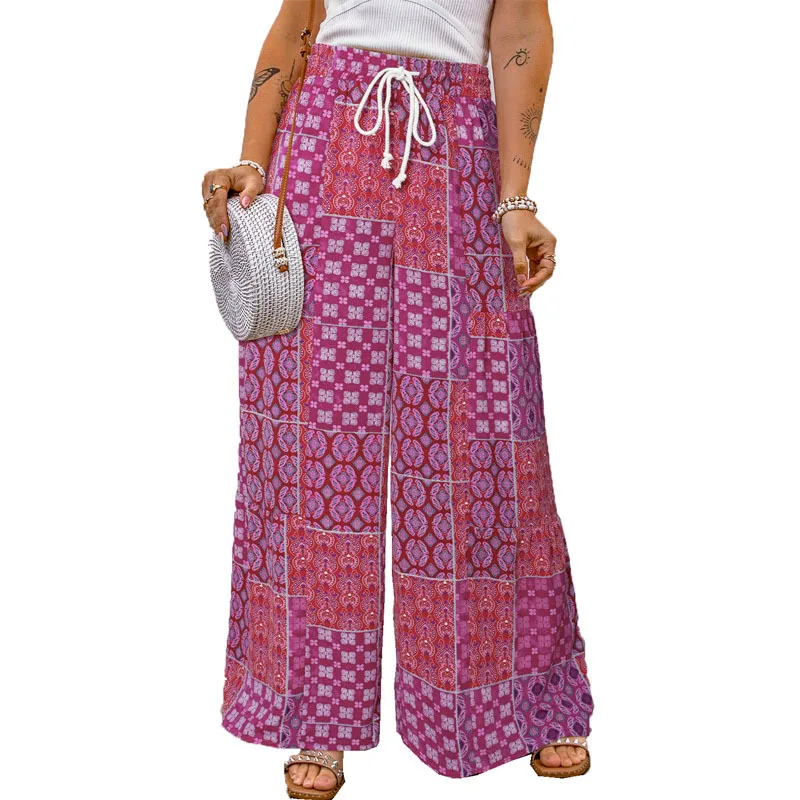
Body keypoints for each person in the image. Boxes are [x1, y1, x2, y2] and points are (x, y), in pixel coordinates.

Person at [202, 0, 593, 794]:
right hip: (324, 136)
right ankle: (314, 713)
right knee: (318, 437)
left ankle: (519, 697)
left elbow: (520, 28)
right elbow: (299, 21)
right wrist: (252, 160)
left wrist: (516, 199)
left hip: (459, 139)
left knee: (483, 429)